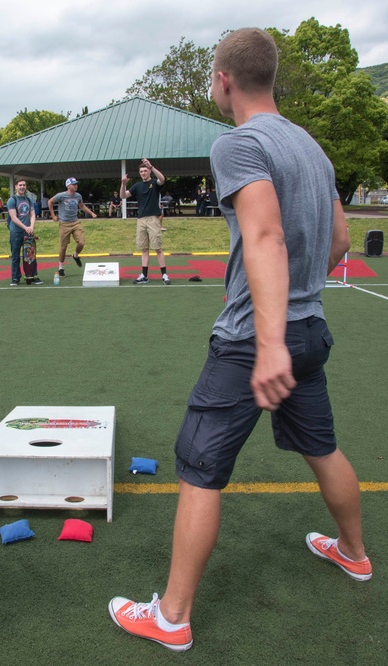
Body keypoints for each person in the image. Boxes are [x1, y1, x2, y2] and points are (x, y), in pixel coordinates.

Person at [108, 28, 360, 653]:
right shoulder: (311, 147)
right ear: (269, 76)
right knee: (322, 446)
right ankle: (354, 552)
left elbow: (266, 236)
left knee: (198, 466)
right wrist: (296, 307)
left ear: (223, 79)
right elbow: (338, 244)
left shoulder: (238, 143)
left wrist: (269, 339)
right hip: (310, 329)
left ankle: (170, 617)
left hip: (257, 339)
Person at [120, 159, 171, 285]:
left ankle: (164, 274)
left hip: (153, 218)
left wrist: (151, 166)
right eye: (141, 171)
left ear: (149, 171)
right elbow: (123, 196)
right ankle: (144, 275)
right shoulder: (137, 186)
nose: (143, 173)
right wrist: (123, 184)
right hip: (141, 220)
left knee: (158, 248)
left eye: (145, 170)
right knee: (144, 249)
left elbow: (162, 179)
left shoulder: (154, 183)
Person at [49, 177, 97, 277]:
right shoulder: (61, 195)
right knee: (63, 247)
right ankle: (61, 267)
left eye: (76, 184)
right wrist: (53, 215)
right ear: (68, 186)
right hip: (64, 224)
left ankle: (75, 255)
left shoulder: (78, 196)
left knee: (82, 242)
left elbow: (82, 206)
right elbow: (50, 202)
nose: (76, 186)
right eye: (74, 184)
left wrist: (91, 213)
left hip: (75, 222)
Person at [7, 178, 41, 286]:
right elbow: (13, 217)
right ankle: (15, 278)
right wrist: (25, 227)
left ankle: (32, 275)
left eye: (24, 185)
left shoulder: (28, 200)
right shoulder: (12, 200)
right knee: (15, 256)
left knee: (30, 255)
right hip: (16, 232)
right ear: (16, 186)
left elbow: (32, 214)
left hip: (28, 232)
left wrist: (31, 226)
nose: (22, 187)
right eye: (20, 185)